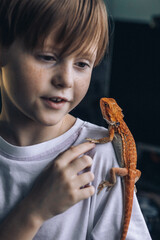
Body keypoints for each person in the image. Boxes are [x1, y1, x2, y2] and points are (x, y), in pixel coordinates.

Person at [0, 0, 151, 239]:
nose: (66, 80)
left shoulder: (98, 154)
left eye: (82, 63)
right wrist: (33, 211)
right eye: (48, 57)